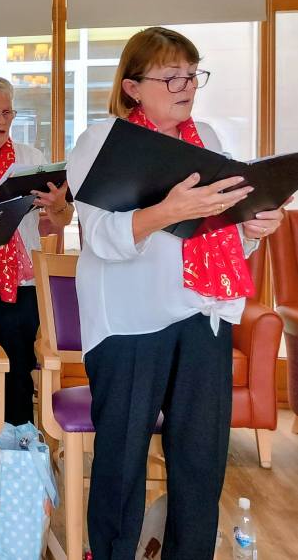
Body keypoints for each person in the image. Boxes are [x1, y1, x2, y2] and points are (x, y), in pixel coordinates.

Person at [65, 27, 285, 559]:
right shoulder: (103, 140)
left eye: (192, 74)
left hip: (204, 316)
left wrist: (251, 230)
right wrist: (169, 211)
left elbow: (225, 231)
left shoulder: (206, 136)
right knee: (121, 461)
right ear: (133, 86)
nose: (186, 86)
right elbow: (98, 237)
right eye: (171, 76)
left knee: (200, 461)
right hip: (129, 325)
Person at [0, 75, 74, 426]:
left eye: (7, 113)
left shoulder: (31, 159)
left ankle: (15, 454)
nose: (1, 121)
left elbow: (55, 223)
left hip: (18, 284)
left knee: (16, 370)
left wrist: (58, 206)